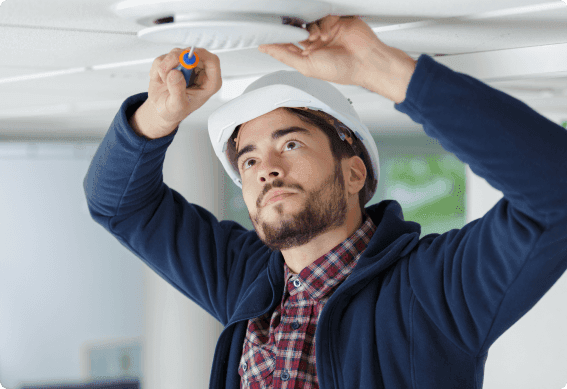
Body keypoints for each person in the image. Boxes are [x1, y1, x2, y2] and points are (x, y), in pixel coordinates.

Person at [84, 15, 567, 389]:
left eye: (290, 144)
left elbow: (556, 194)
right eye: (248, 161)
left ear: (354, 172)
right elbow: (121, 206)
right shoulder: (246, 280)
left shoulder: (432, 289)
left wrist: (380, 70)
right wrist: (156, 116)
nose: (266, 169)